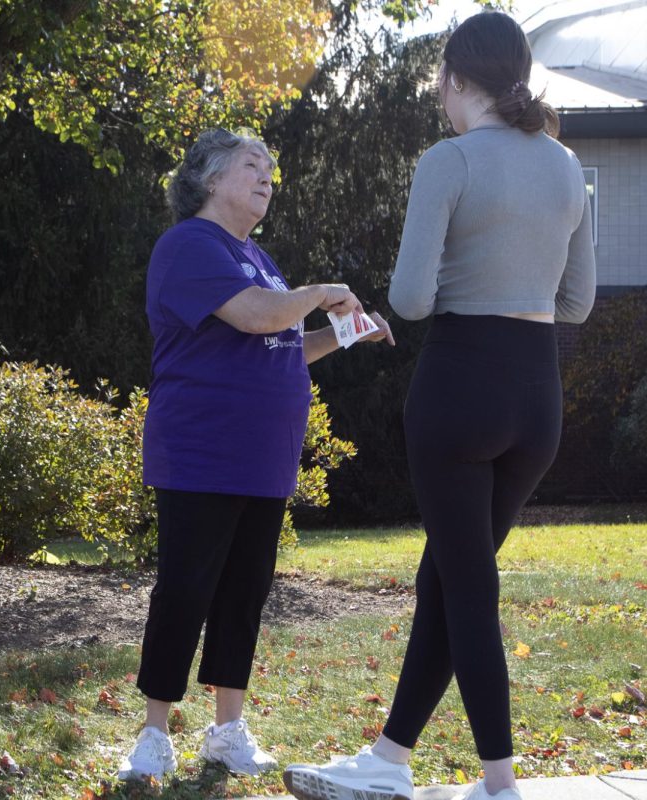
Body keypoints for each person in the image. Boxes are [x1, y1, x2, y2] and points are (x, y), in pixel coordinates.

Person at [283, 11, 596, 800]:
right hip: (538, 396)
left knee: (466, 585)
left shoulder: (448, 159)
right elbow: (580, 302)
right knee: (449, 577)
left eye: (441, 86)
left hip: (461, 386)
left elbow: (412, 299)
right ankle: (390, 756)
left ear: (457, 79)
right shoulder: (566, 165)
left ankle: (499, 782)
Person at [117, 128, 394, 782]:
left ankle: (226, 730)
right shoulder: (189, 244)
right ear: (211, 179)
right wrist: (320, 291)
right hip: (202, 451)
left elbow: (281, 345)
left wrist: (344, 332)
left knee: (243, 594)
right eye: (251, 166)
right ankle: (154, 733)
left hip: (262, 458)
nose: (267, 177)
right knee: (186, 589)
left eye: (270, 169)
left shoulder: (260, 259)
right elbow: (253, 318)